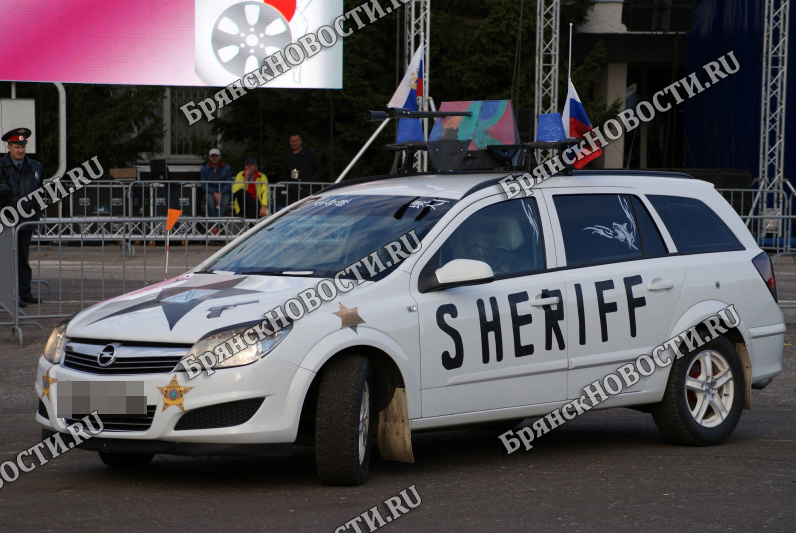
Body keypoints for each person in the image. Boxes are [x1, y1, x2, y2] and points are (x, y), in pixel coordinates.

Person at [0, 127, 44, 307]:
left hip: (26, 220)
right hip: (5, 219)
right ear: (8, 147)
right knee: (5, 259)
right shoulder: (1, 166)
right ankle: (7, 295)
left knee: (22, 258)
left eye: (23, 146)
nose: (20, 150)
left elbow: (39, 191)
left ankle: (24, 293)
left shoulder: (36, 167)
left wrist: (35, 211)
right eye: (16, 146)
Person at [279, 134, 322, 208]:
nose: (294, 143)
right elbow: (284, 173)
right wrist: (290, 185)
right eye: (292, 141)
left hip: (309, 190)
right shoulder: (287, 156)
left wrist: (312, 181)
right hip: (294, 192)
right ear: (290, 142)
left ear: (300, 142)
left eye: (296, 141)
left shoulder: (309, 154)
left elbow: (318, 169)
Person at [200, 148, 232, 231]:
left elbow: (228, 184)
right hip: (210, 192)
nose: (214, 158)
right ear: (209, 157)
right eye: (212, 156)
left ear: (220, 157)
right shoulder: (204, 169)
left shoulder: (226, 167)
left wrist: (221, 193)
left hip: (223, 191)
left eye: (216, 156)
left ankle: (215, 227)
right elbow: (204, 185)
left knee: (226, 200)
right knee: (210, 200)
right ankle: (216, 226)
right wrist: (214, 193)